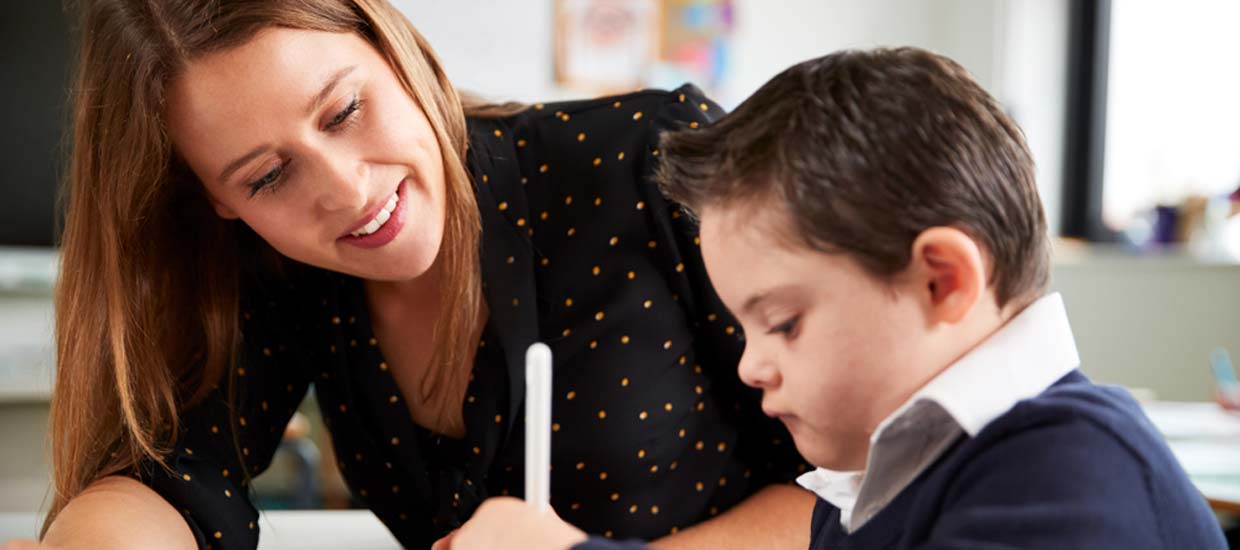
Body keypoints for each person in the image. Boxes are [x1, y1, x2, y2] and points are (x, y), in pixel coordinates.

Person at [11, 1, 814, 549]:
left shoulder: (649, 159)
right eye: (265, 177)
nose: (348, 191)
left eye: (344, 112)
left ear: (389, 46)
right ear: (216, 203)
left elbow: (883, 488)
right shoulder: (283, 274)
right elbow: (171, 481)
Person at [440, 47, 1229, 549]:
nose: (752, 367)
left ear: (941, 281)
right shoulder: (891, 477)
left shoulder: (1067, 477)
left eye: (781, 322)